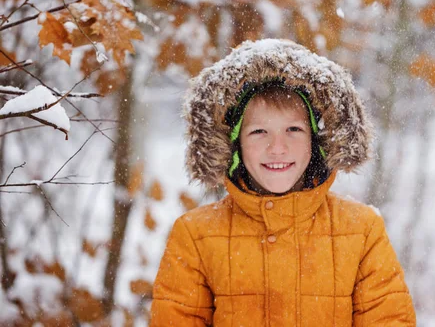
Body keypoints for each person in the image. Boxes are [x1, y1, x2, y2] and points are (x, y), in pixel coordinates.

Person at [150, 39, 416, 326]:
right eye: (259, 131)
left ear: (316, 140)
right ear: (235, 143)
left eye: (293, 129)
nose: (277, 147)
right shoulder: (196, 236)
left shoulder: (361, 230)